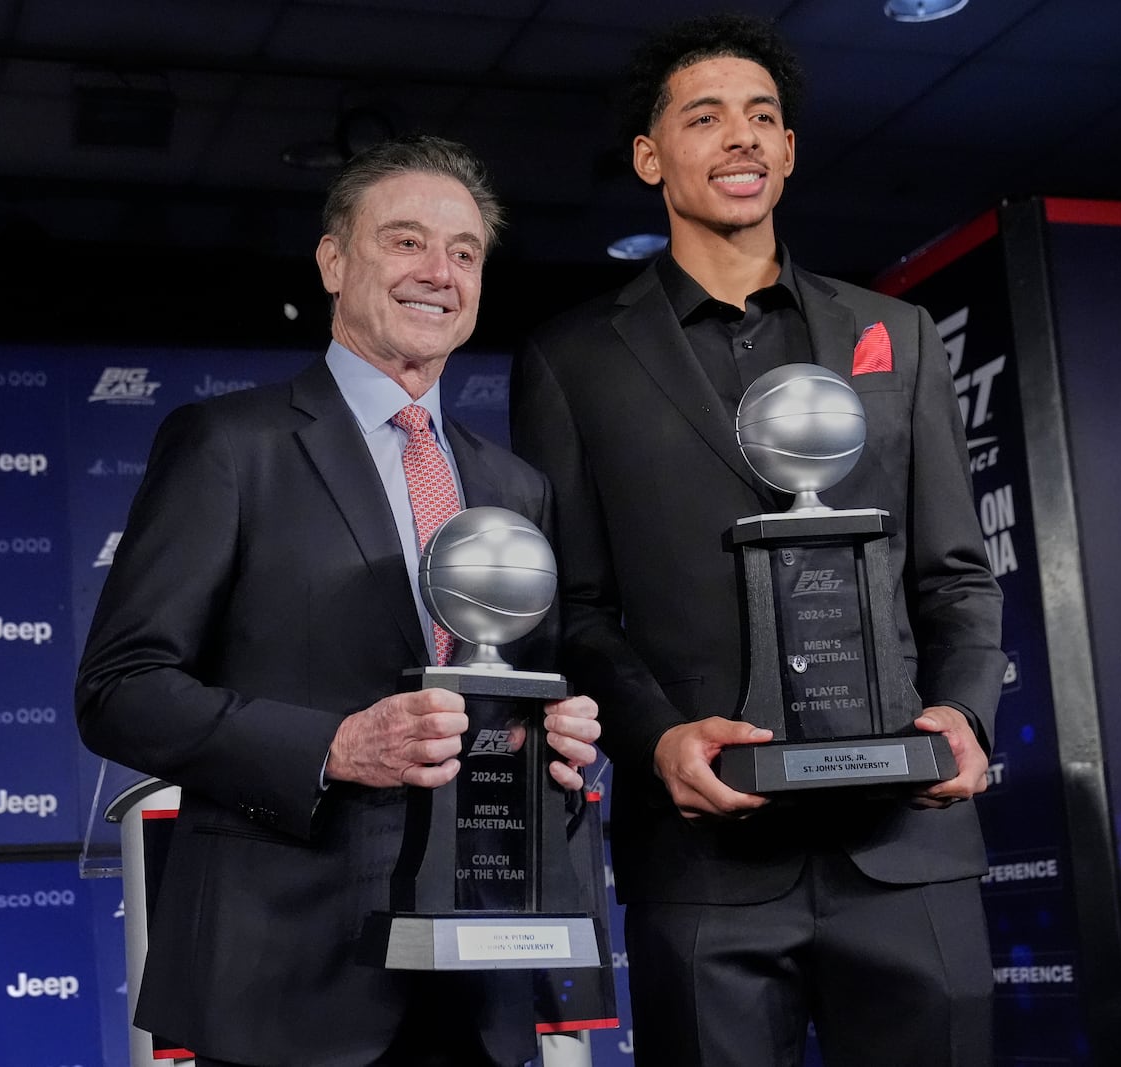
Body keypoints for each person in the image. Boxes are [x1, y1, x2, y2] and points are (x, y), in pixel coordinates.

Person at [509, 13, 1005, 1067]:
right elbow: (576, 610)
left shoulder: (896, 334)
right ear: (651, 156)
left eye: (761, 117)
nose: (738, 137)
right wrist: (658, 741)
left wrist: (962, 711)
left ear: (786, 151)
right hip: (706, 862)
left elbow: (954, 570)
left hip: (905, 850)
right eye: (704, 116)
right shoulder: (569, 362)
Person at [76, 133, 601, 1067]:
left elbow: (517, 706)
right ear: (332, 260)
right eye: (406, 241)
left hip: (476, 979)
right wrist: (335, 747)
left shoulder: (515, 487)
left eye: (466, 252)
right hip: (286, 981)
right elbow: (120, 687)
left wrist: (556, 749)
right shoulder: (230, 446)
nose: (439, 271)